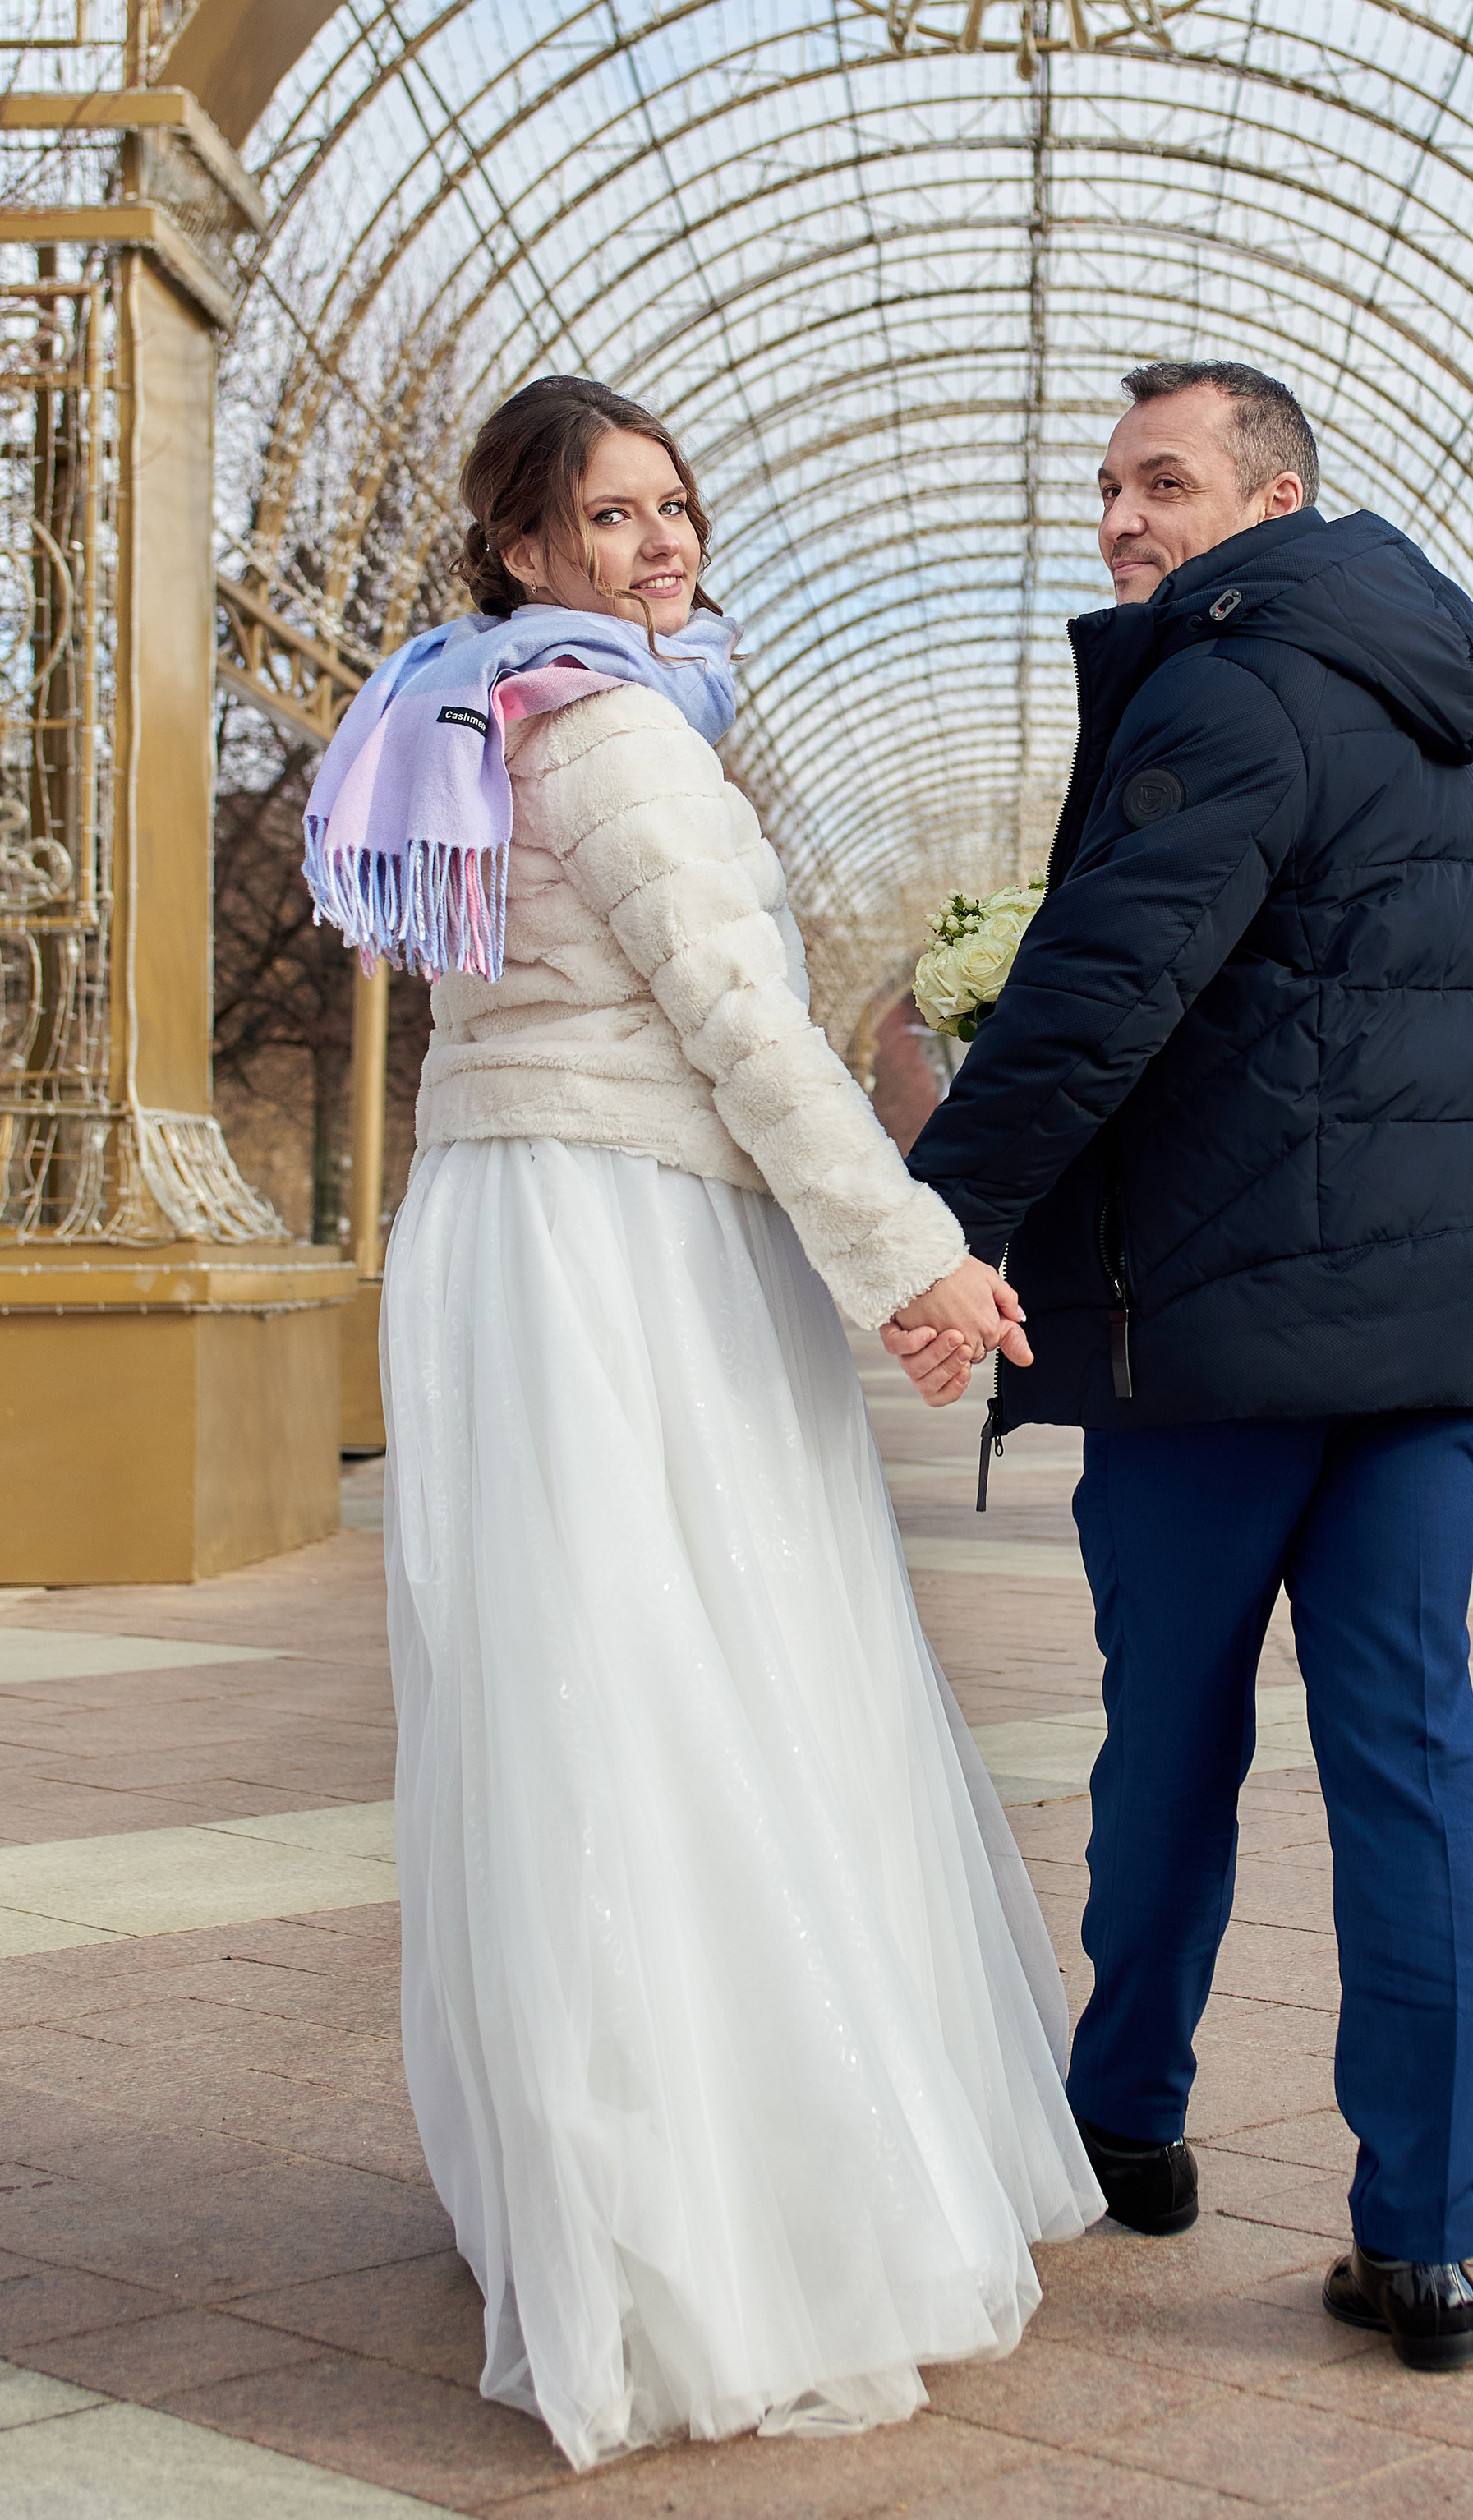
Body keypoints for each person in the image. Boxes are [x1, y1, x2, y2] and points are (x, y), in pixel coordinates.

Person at [303, 374, 1100, 2471]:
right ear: (523, 547)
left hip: (504, 1231)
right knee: (704, 1687)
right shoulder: (616, 731)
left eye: (674, 507)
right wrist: (914, 1257)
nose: (660, 544)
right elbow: (745, 1034)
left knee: (568, 1705)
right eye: (610, 515)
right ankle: (732, 2230)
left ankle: (587, 2192)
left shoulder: (468, 715)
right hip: (628, 1246)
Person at [890, 361, 1473, 2373]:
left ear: (1270, 503)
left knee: (1170, 1741)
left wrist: (932, 1223)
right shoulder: (1419, 702)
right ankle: (1422, 2242)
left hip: (1220, 1327)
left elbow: (1104, 988)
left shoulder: (1229, 681)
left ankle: (1129, 2115)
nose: (1120, 519)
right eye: (1105, 487)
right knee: (1408, 1764)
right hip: (1412, 1344)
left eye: (1160, 483)